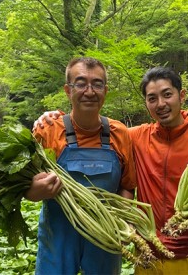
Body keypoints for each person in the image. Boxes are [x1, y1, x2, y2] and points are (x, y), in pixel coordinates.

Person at [34, 66, 188, 275]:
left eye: (167, 94)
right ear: (147, 104)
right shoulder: (134, 137)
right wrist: (55, 119)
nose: (161, 103)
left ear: (182, 95)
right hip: (148, 257)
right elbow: (91, 130)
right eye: (152, 98)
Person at [25, 57, 137, 275]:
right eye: (80, 83)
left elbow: (126, 186)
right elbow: (24, 185)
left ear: (105, 90)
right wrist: (32, 192)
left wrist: (122, 221)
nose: (89, 91)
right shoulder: (47, 131)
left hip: (105, 232)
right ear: (68, 90)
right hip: (58, 235)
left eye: (97, 84)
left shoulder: (120, 133)